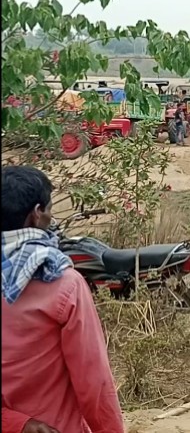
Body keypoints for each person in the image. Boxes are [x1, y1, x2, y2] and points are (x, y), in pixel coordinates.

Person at [1, 166, 125, 433]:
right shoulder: (62, 282)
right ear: (37, 213)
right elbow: (93, 380)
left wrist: (15, 422)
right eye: (49, 209)